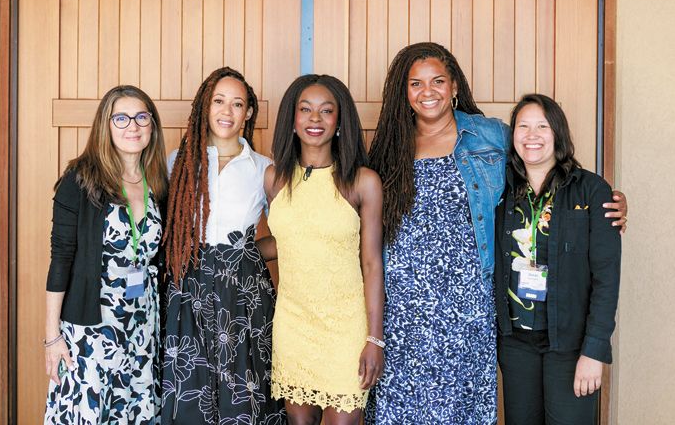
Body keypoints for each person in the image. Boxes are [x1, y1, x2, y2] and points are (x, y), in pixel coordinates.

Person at [366, 42, 627, 424]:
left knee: (461, 411)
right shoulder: (390, 145)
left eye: (438, 80)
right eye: (416, 84)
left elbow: (543, 163)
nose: (428, 91)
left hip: (469, 306)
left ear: (454, 85)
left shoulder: (489, 136)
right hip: (405, 310)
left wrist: (604, 199)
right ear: (403, 93)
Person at [160, 67, 285, 424]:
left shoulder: (264, 169)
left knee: (244, 389)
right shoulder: (177, 162)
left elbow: (292, 234)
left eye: (237, 103)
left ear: (248, 113)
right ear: (205, 106)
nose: (227, 111)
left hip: (243, 295)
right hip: (188, 289)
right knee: (190, 390)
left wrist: (246, 252)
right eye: (219, 101)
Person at [262, 74, 384, 425]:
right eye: (305, 110)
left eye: (326, 111)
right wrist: (238, 253)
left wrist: (375, 338)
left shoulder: (362, 181)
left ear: (340, 120)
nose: (315, 119)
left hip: (346, 328)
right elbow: (287, 241)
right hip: (293, 324)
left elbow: (372, 263)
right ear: (293, 119)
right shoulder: (274, 178)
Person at [44, 85, 168, 425]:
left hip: (142, 326)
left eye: (142, 117)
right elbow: (61, 258)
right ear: (106, 125)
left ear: (152, 126)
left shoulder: (157, 183)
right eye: (122, 118)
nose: (133, 126)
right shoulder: (79, 181)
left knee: (134, 413)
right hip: (92, 329)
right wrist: (52, 337)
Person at [494, 94, 621, 424]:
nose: (531, 135)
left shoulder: (592, 191)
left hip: (570, 344)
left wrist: (594, 351)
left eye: (542, 126)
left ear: (558, 133)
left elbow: (607, 279)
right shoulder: (499, 189)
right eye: (523, 126)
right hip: (515, 343)